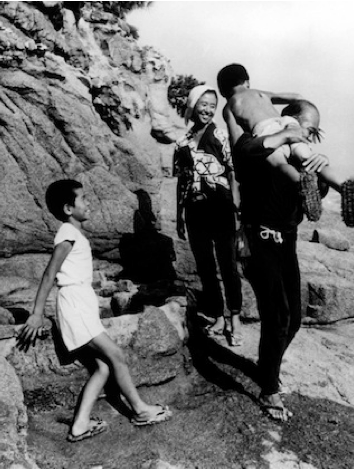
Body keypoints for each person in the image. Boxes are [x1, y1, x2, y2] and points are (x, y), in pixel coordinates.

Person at [17, 179, 172, 442]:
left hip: (80, 302)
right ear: (68, 208)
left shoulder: (74, 234)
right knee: (117, 355)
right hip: (74, 305)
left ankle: (80, 425)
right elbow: (49, 274)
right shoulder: (67, 234)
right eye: (83, 199)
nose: (89, 203)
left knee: (103, 367)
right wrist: (36, 313)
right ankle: (140, 410)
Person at [232, 105, 330, 422]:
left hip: (286, 240)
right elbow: (244, 149)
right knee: (277, 316)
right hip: (259, 238)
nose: (311, 133)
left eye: (315, 129)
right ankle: (269, 390)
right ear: (287, 123)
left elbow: (313, 200)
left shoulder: (303, 158)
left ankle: (267, 367)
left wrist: (320, 172)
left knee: (294, 320)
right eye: (306, 126)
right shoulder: (261, 147)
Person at [217, 63, 354, 227]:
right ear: (247, 82)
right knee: (309, 159)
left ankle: (303, 183)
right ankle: (343, 185)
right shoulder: (260, 93)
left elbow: (236, 143)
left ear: (223, 92)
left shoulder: (230, 105)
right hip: (289, 123)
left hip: (266, 130)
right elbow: (297, 96)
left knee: (279, 164)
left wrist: (238, 170)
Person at [173, 85, 243, 346]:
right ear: (193, 105)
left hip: (220, 206)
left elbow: (233, 169)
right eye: (203, 104)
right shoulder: (182, 142)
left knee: (227, 264)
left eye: (212, 105)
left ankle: (235, 316)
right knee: (205, 266)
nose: (208, 109)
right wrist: (179, 215)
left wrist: (236, 201)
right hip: (194, 210)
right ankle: (218, 315)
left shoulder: (221, 136)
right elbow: (182, 181)